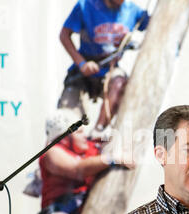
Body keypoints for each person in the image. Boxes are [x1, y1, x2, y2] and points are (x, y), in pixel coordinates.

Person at [33, 109, 134, 214]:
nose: (84, 137)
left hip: (82, 209)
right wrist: (112, 158)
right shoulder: (52, 153)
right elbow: (78, 170)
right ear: (64, 139)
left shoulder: (89, 147)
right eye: (79, 132)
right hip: (56, 213)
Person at [58, 0, 150, 132]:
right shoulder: (85, 5)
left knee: (120, 84)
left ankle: (97, 132)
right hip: (83, 70)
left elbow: (157, 24)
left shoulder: (133, 10)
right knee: (65, 118)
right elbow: (64, 35)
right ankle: (68, 140)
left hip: (110, 68)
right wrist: (82, 63)